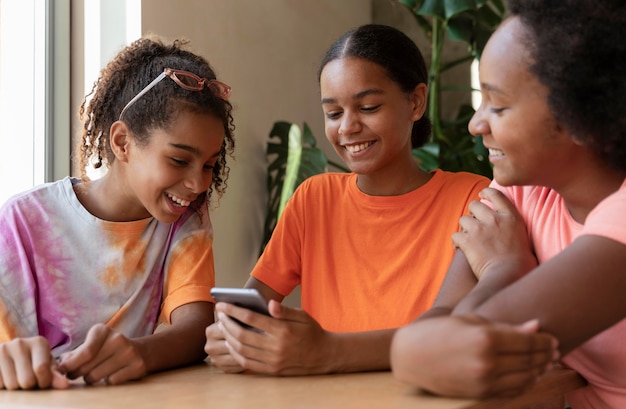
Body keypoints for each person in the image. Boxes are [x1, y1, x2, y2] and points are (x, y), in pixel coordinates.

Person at [204, 23, 491, 375]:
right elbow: (252, 312)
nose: (347, 128)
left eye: (368, 107)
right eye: (334, 113)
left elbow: (455, 334)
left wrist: (326, 352)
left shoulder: (471, 200)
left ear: (416, 101)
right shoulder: (314, 199)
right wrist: (234, 336)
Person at [390, 0, 626, 407]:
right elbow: (428, 338)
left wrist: (503, 267)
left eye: (497, 105)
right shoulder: (521, 197)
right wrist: (419, 349)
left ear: (580, 118)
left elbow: (438, 349)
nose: (475, 124)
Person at [0, 35, 235, 390]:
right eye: (179, 160)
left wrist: (140, 354)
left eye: (209, 165)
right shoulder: (23, 220)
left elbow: (195, 327)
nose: (197, 183)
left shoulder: (185, 220)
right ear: (122, 142)